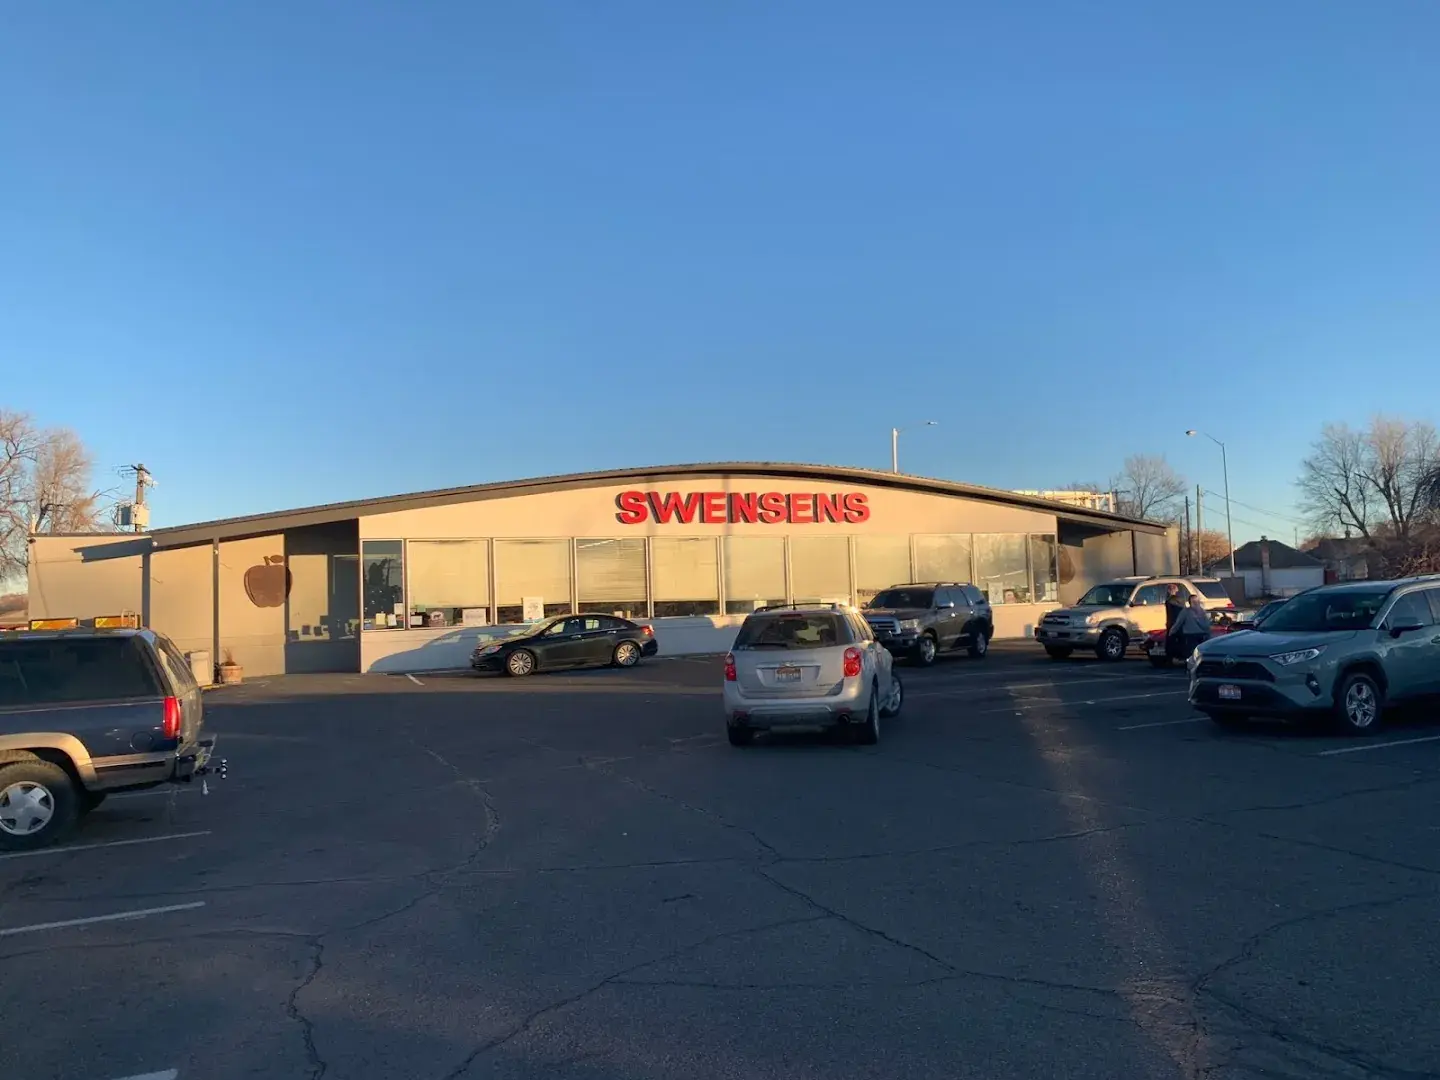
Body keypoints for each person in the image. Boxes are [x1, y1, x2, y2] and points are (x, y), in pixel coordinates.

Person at [1169, 594, 1211, 660]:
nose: (1195, 603)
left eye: (1196, 601)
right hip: (1201, 635)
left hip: (1190, 636)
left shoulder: (1186, 611)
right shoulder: (1202, 611)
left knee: (1191, 654)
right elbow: (1207, 624)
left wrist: (1172, 631)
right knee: (1200, 654)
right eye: (1194, 601)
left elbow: (1178, 623)